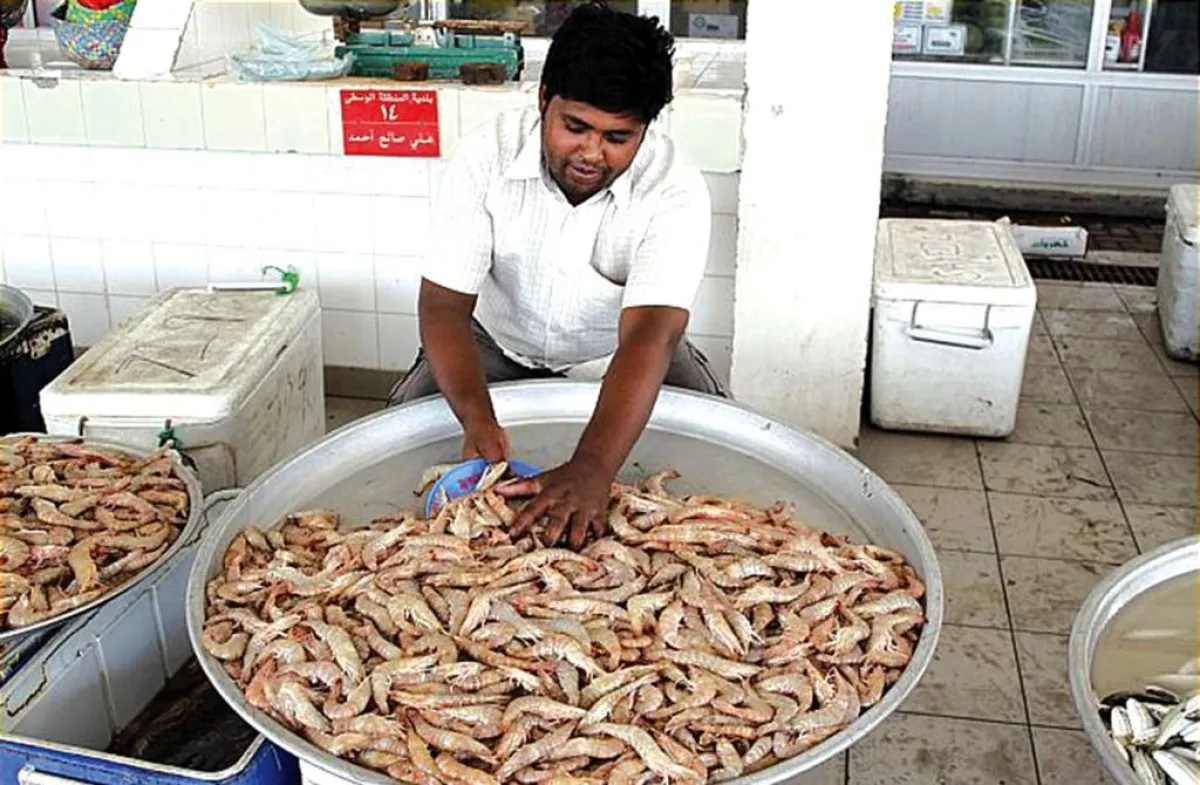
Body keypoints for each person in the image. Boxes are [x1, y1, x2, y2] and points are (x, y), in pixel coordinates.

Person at [387, 0, 726, 550]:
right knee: (397, 452)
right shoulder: (486, 157)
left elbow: (651, 335)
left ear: (645, 129)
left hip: (621, 352)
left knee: (720, 463)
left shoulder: (674, 189)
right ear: (544, 98)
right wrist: (476, 416)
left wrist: (592, 467)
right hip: (495, 343)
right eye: (575, 127)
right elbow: (445, 307)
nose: (591, 153)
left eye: (618, 138)